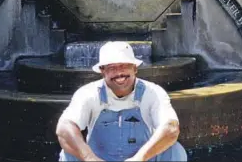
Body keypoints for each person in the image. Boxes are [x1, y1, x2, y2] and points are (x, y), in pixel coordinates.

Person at [56, 41, 187, 161]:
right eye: (112, 67)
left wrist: (139, 159)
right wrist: (89, 158)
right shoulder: (88, 93)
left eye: (124, 66)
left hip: (143, 159)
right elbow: (64, 128)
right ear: (102, 71)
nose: (119, 73)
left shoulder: (153, 92)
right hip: (98, 159)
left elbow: (171, 128)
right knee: (69, 151)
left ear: (135, 68)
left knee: (174, 150)